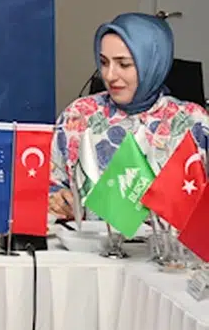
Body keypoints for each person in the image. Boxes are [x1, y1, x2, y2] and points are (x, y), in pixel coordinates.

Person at [49, 13, 209, 218]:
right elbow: (49, 184)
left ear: (152, 64)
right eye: (104, 62)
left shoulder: (193, 121)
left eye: (124, 64)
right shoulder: (79, 114)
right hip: (85, 238)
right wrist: (57, 200)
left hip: (168, 239)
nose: (109, 75)